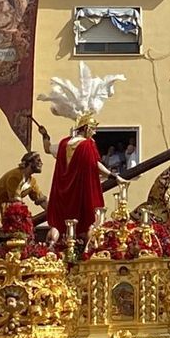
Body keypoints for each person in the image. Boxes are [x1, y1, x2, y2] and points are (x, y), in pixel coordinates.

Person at [38, 65, 128, 244]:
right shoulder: (87, 144)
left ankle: (50, 248)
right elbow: (95, 165)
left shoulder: (64, 143)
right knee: (89, 223)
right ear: (86, 128)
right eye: (93, 129)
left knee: (57, 225)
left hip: (62, 194)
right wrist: (113, 176)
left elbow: (48, 149)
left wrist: (45, 136)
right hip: (81, 193)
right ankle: (89, 253)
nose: (94, 133)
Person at [0, 151, 49, 232]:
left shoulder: (32, 181)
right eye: (38, 160)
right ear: (29, 163)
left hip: (9, 212)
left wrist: (52, 212)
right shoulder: (15, 176)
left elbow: (40, 199)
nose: (41, 163)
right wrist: (24, 219)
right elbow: (15, 201)